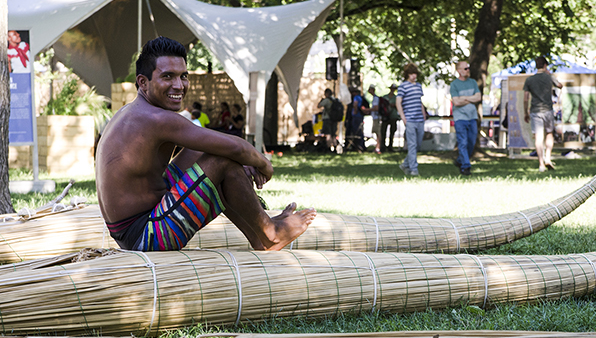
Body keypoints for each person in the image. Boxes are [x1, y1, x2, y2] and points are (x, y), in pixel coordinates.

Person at [95, 36, 316, 252]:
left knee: (207, 150)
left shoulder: (134, 112)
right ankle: (270, 233)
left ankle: (258, 232)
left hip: (136, 225)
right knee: (222, 158)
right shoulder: (156, 118)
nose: (179, 85)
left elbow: (214, 143)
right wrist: (264, 165)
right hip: (145, 236)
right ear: (143, 82)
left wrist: (240, 163)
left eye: (183, 76)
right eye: (168, 77)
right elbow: (237, 148)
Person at [523, 56, 562, 172]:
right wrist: (550, 74)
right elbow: (560, 85)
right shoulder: (549, 78)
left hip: (535, 111)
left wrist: (526, 112)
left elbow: (526, 98)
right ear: (545, 66)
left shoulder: (529, 80)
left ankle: (541, 163)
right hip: (548, 110)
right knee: (549, 133)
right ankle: (548, 158)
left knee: (538, 137)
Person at [450, 61, 482, 176]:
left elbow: (478, 97)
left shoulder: (473, 82)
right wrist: (470, 98)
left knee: (471, 142)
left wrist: (464, 98)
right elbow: (456, 102)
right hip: (460, 118)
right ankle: (466, 166)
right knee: (462, 142)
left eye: (468, 68)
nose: (468, 70)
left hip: (472, 117)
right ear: (459, 71)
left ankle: (460, 160)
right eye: (465, 69)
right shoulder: (454, 84)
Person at [396, 63, 427, 176]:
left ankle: (405, 164)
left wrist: (424, 114)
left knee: (418, 144)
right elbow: (398, 102)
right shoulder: (403, 86)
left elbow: (419, 102)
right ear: (407, 75)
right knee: (412, 144)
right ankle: (414, 169)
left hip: (420, 119)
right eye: (411, 74)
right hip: (409, 119)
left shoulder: (418, 86)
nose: (413, 76)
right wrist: (403, 117)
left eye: (415, 73)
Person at [382, 83, 400, 152]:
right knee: (383, 132)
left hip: (393, 116)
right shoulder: (385, 97)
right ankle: (383, 147)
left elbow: (399, 106)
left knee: (392, 132)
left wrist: (394, 105)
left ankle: (390, 147)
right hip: (385, 117)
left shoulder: (396, 98)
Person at [367, 84, 382, 153]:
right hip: (375, 117)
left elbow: (376, 108)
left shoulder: (376, 99)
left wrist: (367, 110)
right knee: (376, 132)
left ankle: (378, 147)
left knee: (378, 133)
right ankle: (377, 146)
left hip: (377, 118)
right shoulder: (374, 98)